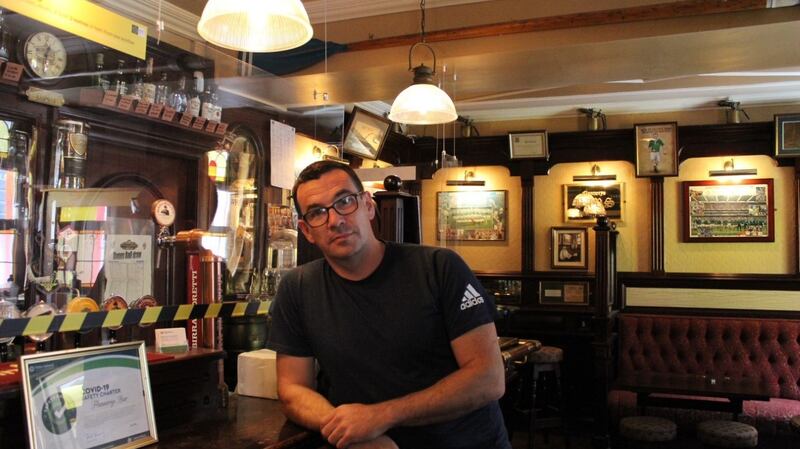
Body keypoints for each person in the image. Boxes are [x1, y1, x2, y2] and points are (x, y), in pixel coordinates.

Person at [267, 160, 510, 449]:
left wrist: (381, 417)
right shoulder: (297, 288)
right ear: (306, 230)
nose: (335, 220)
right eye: (318, 212)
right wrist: (349, 428)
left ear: (368, 206)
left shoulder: (438, 267)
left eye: (345, 201)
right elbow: (293, 388)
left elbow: (488, 378)